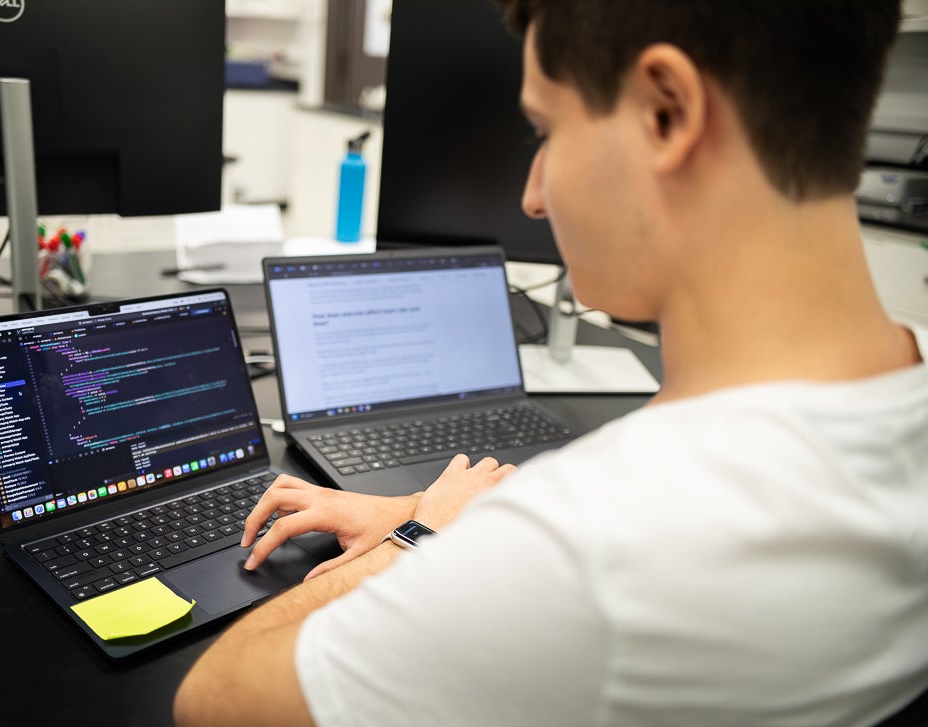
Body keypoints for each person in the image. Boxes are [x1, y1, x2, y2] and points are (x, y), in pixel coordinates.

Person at [174, 1, 928, 724]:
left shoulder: (590, 552)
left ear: (667, 111)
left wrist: (421, 540)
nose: (533, 196)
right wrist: (421, 509)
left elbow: (217, 699)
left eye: (545, 129)